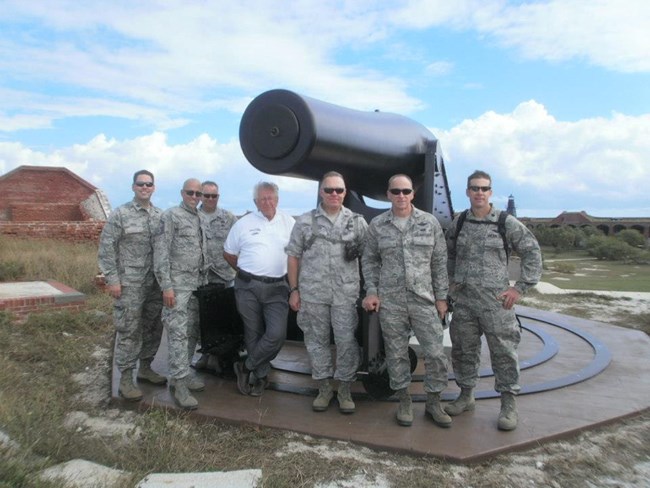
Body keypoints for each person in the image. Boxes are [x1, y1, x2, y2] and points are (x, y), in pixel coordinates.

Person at [444, 170, 542, 431]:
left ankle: (508, 404)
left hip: (496, 303)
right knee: (463, 350)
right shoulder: (460, 222)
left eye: (484, 188)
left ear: (490, 192)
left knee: (503, 353)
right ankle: (466, 395)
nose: (479, 192)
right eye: (474, 188)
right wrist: (451, 284)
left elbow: (532, 252)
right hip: (464, 302)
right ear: (467, 191)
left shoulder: (505, 222)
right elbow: (449, 254)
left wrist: (519, 288)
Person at [361, 174, 451, 428]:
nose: (401, 196)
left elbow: (439, 262)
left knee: (435, 354)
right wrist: (372, 291)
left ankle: (434, 403)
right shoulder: (378, 225)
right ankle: (404, 402)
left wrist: (442, 298)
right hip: (391, 301)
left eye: (406, 191)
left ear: (413, 194)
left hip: (423, 299)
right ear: (388, 194)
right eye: (396, 191)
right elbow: (369, 260)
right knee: (396, 355)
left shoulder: (429, 222)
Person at [286, 171, 367, 414]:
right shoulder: (304, 222)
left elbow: (370, 258)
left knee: (346, 342)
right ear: (321, 192)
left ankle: (343, 389)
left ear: (344, 193)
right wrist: (294, 290)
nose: (334, 194)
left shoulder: (357, 222)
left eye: (339, 190)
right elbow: (293, 257)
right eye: (329, 189)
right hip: (313, 294)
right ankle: (323, 387)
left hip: (345, 295)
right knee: (316, 342)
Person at [98, 169, 165, 401]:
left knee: (153, 327)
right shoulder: (121, 214)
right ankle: (125, 378)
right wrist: (113, 280)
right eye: (140, 184)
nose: (145, 188)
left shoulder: (159, 216)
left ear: (154, 187)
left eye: (148, 184)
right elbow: (106, 249)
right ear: (133, 187)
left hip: (155, 284)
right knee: (129, 329)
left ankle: (145, 368)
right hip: (129, 285)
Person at [224, 182, 295, 397]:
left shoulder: (289, 223)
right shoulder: (243, 224)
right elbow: (228, 253)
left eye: (271, 198)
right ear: (255, 202)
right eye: (263, 198)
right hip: (247, 287)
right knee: (252, 333)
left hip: (278, 288)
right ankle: (261, 375)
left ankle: (246, 367)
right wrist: (246, 272)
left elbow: (296, 255)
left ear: (277, 199)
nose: (267, 202)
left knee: (276, 334)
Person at [154, 178, 206, 410]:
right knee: (177, 336)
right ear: (182, 193)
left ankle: (180, 375)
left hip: (195, 286)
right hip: (177, 287)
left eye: (198, 194)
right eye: (190, 192)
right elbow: (161, 253)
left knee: (192, 332)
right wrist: (166, 286)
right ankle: (180, 386)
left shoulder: (200, 218)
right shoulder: (171, 216)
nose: (194, 197)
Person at [193, 180, 238, 373]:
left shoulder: (228, 218)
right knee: (201, 319)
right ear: (200, 196)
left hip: (223, 276)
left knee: (221, 320)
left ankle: (221, 356)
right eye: (207, 195)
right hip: (200, 277)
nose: (211, 199)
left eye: (214, 196)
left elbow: (239, 243)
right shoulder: (193, 217)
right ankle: (204, 354)